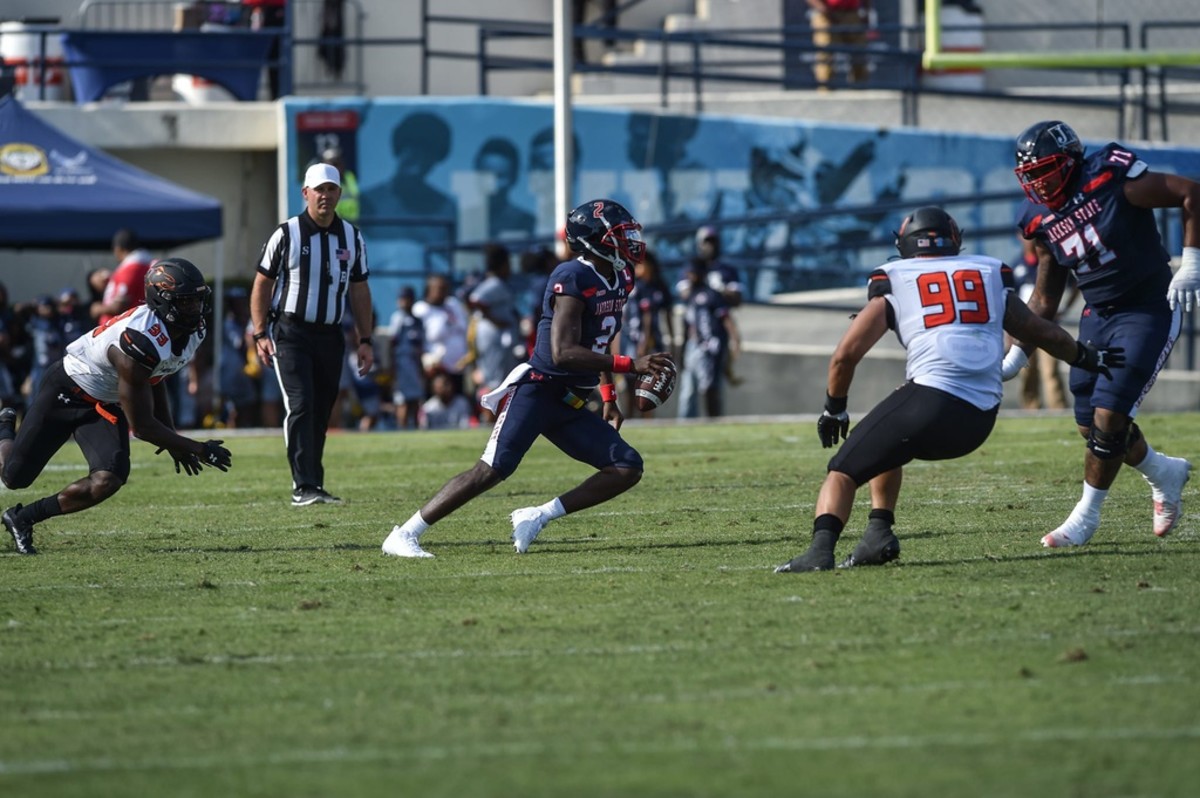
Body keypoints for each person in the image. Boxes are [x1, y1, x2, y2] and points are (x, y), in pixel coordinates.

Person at [775, 207, 1126, 573]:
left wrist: (835, 408)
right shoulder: (988, 272)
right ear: (954, 239)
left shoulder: (894, 277)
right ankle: (878, 533)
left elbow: (844, 357)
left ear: (905, 244)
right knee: (889, 431)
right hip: (980, 417)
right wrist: (1088, 357)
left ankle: (820, 551)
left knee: (842, 470)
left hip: (931, 405)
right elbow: (1041, 331)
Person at [382, 198, 674, 558]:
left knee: (626, 467)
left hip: (571, 401)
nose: (628, 240)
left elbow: (598, 336)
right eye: (620, 234)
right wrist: (632, 365)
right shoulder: (572, 276)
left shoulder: (621, 278)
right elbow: (563, 352)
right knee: (492, 469)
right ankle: (405, 534)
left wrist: (609, 395)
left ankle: (538, 515)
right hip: (538, 390)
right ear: (594, 240)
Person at [1002, 120, 1198, 548]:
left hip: (1147, 306)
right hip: (1097, 315)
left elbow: (1191, 191)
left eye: (1045, 169)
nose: (1038, 183)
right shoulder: (1040, 217)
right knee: (1090, 425)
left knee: (1110, 416)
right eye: (1030, 175)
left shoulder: (1109, 179)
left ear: (1070, 161)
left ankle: (1085, 518)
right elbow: (1045, 296)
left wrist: (1191, 262)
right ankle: (1164, 473)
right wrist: (1018, 354)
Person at [0, 259, 232, 556]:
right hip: (67, 390)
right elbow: (144, 426)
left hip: (104, 402)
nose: (195, 309)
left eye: (199, 300)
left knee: (108, 479)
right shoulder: (138, 340)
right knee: (13, 477)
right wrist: (198, 448)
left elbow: (157, 377)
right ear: (161, 300)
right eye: (186, 302)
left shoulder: (193, 331)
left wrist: (174, 440)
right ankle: (4, 428)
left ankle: (23, 518)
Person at [250, 162, 376, 507]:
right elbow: (263, 283)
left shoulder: (352, 236)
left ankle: (314, 484)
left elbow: (360, 290)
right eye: (319, 189)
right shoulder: (287, 233)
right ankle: (302, 485)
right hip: (291, 332)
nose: (325, 195)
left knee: (321, 410)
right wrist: (260, 332)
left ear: (339, 193)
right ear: (305, 193)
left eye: (331, 189)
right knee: (301, 404)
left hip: (331, 335)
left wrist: (365, 340)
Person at [1011, 235, 1073, 410]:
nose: (1029, 241)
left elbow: (1073, 285)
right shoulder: (1017, 265)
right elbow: (1010, 299)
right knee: (1027, 373)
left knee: (1050, 371)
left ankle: (1059, 409)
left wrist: (1066, 306)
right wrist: (1010, 331)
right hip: (1024, 329)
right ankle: (1031, 410)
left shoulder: (1050, 262)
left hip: (1049, 327)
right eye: (1026, 238)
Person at [676, 262, 739, 419]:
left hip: (710, 347)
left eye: (693, 273)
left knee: (710, 387)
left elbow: (726, 318)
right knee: (688, 389)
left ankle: (713, 420)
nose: (690, 277)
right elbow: (687, 325)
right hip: (693, 346)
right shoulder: (690, 296)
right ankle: (686, 423)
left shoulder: (712, 295)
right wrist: (682, 350)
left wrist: (735, 340)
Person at [468, 243, 523, 422]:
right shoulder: (493, 283)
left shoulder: (499, 283)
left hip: (500, 337)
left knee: (502, 378)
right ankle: (489, 419)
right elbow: (475, 300)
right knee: (494, 380)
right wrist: (494, 320)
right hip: (492, 336)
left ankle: (497, 419)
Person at [618, 250, 675, 415]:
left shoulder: (657, 286)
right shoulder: (633, 285)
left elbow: (651, 317)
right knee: (629, 385)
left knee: (646, 386)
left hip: (648, 342)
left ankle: (645, 417)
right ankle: (630, 418)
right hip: (629, 340)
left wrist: (646, 344)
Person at [413, 274, 470, 400]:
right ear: (429, 289)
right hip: (435, 371)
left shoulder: (453, 304)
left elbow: (465, 330)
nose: (444, 292)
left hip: (457, 367)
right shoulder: (420, 310)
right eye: (440, 289)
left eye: (446, 288)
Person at [93, 229, 155, 325]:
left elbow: (120, 305)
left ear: (119, 249)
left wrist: (97, 309)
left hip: (119, 328)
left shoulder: (131, 268)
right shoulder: (144, 265)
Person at [807, 0, 871, 90]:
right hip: (826, 14)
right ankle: (825, 92)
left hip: (851, 12)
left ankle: (859, 91)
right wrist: (822, 9)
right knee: (825, 55)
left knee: (859, 52)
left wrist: (866, 10)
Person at [386, 285, 425, 430]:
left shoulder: (417, 321)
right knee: (402, 400)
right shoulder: (398, 318)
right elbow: (392, 343)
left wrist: (421, 367)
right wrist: (392, 366)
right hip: (401, 363)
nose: (404, 302)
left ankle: (414, 429)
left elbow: (420, 346)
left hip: (414, 363)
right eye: (402, 299)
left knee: (415, 399)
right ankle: (401, 430)